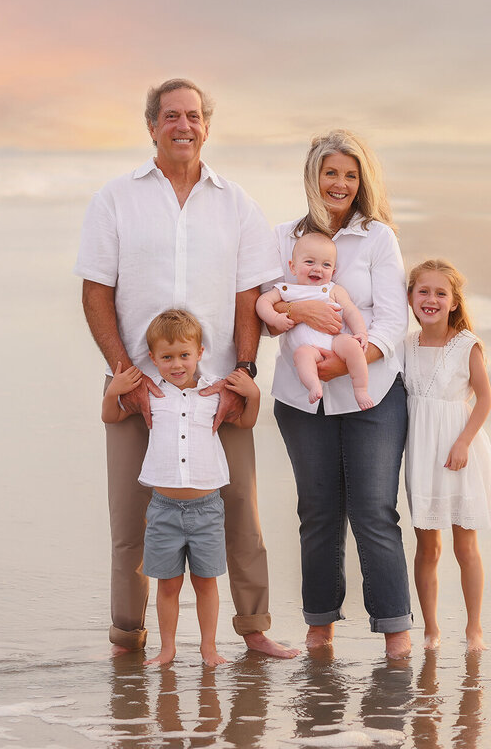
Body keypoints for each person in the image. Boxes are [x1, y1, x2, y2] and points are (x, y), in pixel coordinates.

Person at [75, 78, 296, 659]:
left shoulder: (237, 204)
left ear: (206, 126)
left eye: (193, 116)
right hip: (133, 386)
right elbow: (95, 293)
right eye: (171, 116)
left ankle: (253, 630)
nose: (183, 126)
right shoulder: (115, 199)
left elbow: (251, 294)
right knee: (132, 519)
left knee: (241, 512)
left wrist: (243, 373)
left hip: (217, 389)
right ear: (151, 126)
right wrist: (128, 374)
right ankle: (129, 637)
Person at [265, 129, 413, 659]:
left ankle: (396, 634)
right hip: (302, 399)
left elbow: (394, 319)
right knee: (318, 510)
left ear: (362, 181)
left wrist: (346, 364)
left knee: (374, 510)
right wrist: (297, 315)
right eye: (331, 173)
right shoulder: (282, 237)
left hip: (372, 389)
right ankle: (319, 629)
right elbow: (263, 314)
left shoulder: (378, 238)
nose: (340, 184)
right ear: (313, 176)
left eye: (351, 175)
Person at [102, 309, 262, 667]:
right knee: (168, 585)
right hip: (163, 509)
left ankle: (209, 649)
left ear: (200, 353)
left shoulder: (213, 392)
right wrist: (113, 392)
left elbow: (247, 422)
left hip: (207, 508)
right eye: (167, 357)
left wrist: (254, 395)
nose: (177, 364)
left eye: (184, 355)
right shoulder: (151, 394)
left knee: (207, 583)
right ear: (153, 359)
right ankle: (168, 648)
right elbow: (111, 417)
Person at [403, 259, 491, 652]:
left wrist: (464, 441)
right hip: (420, 455)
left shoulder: (467, 345)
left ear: (453, 302)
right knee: (428, 547)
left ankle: (474, 629)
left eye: (440, 293)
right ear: (411, 297)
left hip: (459, 451)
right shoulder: (405, 346)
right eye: (423, 291)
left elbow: (484, 399)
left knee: (465, 546)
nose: (430, 299)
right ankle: (431, 630)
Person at [256, 231, 374, 409]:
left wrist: (361, 332)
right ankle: (313, 386)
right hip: (309, 349)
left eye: (326, 265)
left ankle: (360, 389)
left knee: (352, 346)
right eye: (309, 262)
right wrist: (275, 318)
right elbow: (262, 302)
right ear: (293, 267)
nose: (318, 268)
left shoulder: (332, 289)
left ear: (333, 271)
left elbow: (350, 310)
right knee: (302, 355)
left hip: (335, 340)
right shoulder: (287, 289)